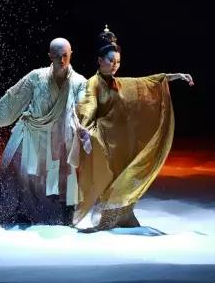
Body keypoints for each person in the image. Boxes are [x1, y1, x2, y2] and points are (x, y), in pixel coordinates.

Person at [74, 26, 193, 232]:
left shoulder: (119, 83)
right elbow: (88, 107)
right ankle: (107, 219)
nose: (115, 65)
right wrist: (85, 130)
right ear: (100, 60)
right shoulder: (93, 83)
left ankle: (125, 215)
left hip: (122, 143)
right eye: (111, 61)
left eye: (118, 62)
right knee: (110, 180)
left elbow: (146, 83)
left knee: (127, 177)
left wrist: (174, 76)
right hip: (104, 143)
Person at [0, 38, 89, 227]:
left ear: (71, 54)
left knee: (56, 181)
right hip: (32, 132)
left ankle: (54, 216)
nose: (61, 60)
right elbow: (15, 95)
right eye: (57, 56)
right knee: (15, 170)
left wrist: (85, 123)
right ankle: (13, 212)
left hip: (59, 137)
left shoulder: (79, 82)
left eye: (65, 55)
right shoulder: (36, 77)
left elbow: (84, 105)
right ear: (50, 56)